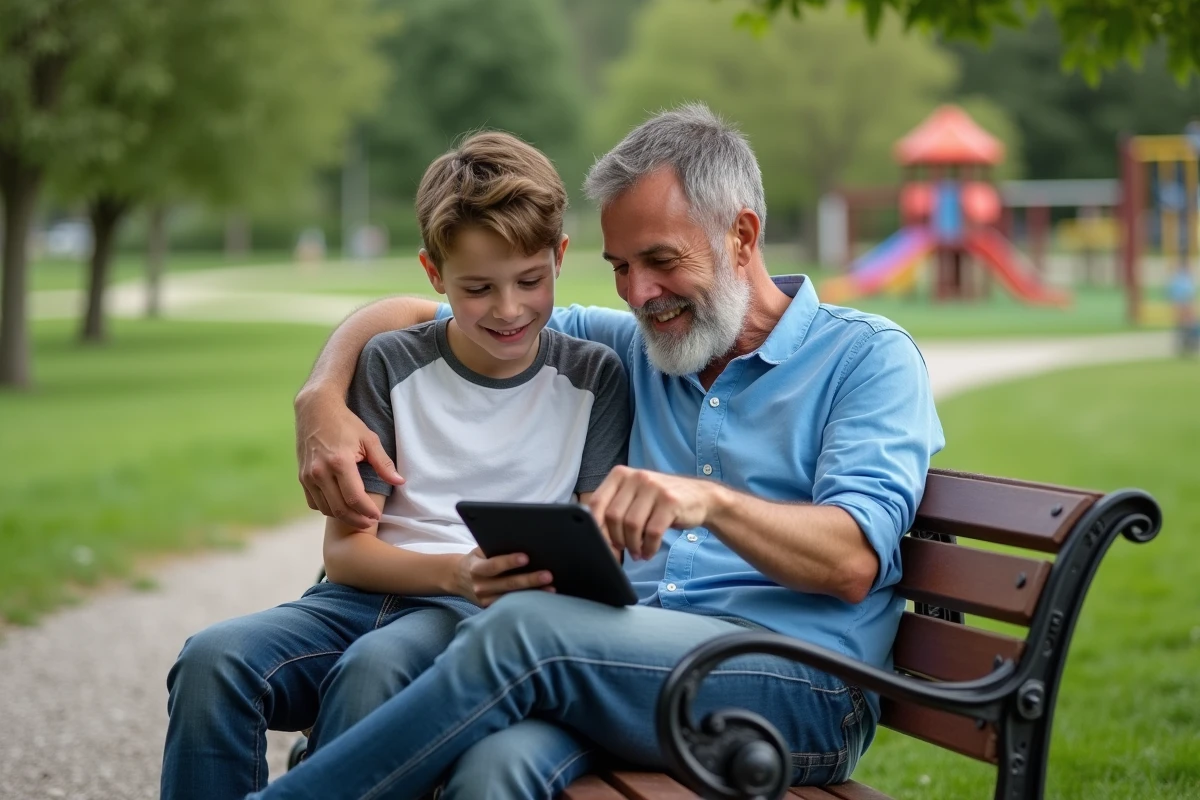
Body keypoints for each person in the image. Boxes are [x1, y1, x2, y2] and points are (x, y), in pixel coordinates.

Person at [274, 103, 945, 800]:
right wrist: (320, 393)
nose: (638, 294)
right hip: (629, 668)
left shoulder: (867, 357)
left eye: (660, 261)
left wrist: (708, 503)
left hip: (795, 688)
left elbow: (852, 562)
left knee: (522, 630)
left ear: (741, 236)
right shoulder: (642, 344)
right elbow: (421, 313)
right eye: (621, 267)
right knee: (493, 770)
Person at [160, 131, 630, 800]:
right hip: (357, 599)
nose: (508, 309)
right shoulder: (392, 362)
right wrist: (452, 570)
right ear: (434, 275)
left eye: (530, 280)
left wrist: (477, 585)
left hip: (473, 619)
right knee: (211, 660)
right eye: (477, 288)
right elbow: (348, 554)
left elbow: (590, 551)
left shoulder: (593, 379)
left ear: (559, 257)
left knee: (374, 669)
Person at [1167, 262, 1198, 356]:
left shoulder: (1181, 280)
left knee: (1186, 325)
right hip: (1182, 304)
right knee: (1185, 325)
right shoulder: (1182, 280)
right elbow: (1185, 296)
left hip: (1183, 305)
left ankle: (1187, 345)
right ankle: (1186, 345)